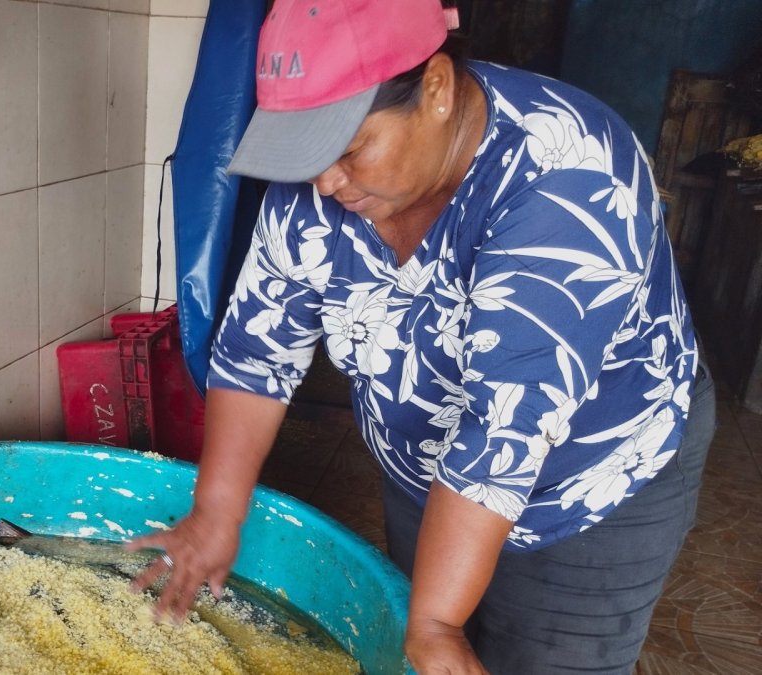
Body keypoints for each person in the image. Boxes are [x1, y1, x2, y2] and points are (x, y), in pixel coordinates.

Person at [127, 0, 716, 673]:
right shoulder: (323, 182)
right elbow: (257, 351)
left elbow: (503, 427)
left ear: (435, 88)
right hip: (432, 473)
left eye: (347, 150)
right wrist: (216, 513)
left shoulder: (567, 180)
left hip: (588, 487)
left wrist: (433, 620)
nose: (324, 181)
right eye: (306, 155)